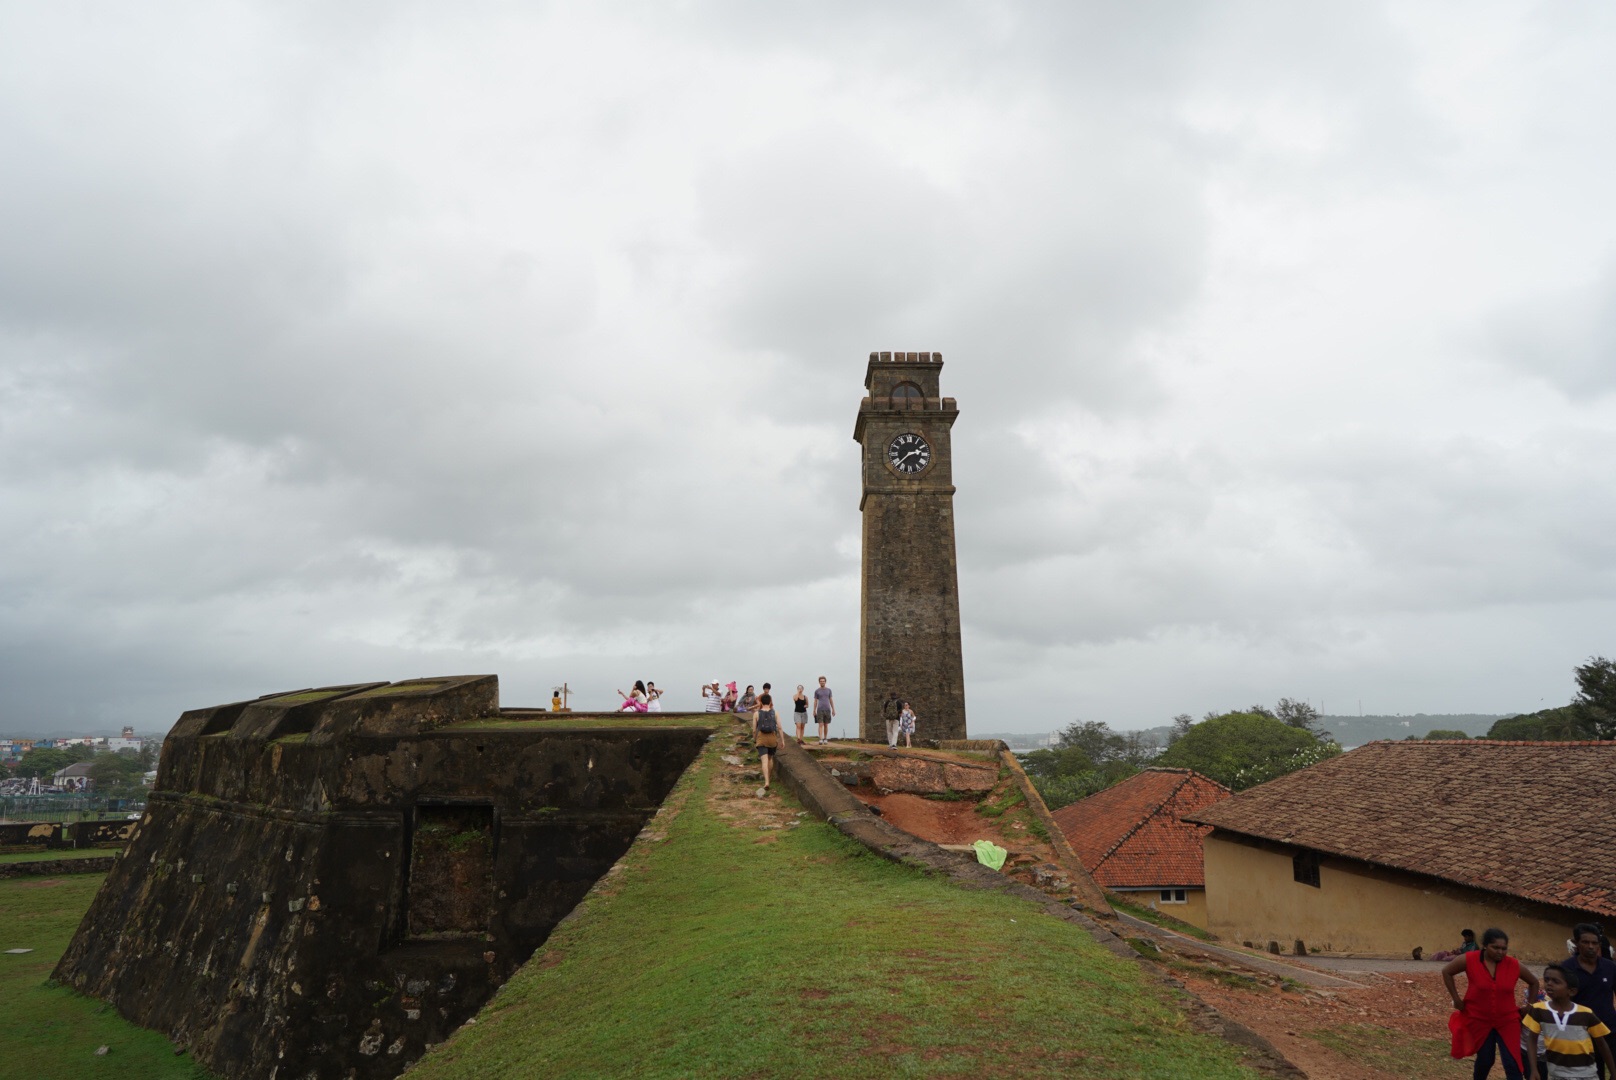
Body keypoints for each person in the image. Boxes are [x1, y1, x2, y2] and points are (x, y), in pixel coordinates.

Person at [1445, 928, 1543, 1080]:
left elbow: (1534, 982)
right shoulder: (1470, 959)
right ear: (1485, 945)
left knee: (1512, 1063)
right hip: (1479, 1019)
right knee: (1485, 1060)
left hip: (1507, 1020)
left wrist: (1530, 1005)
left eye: (1504, 949)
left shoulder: (1513, 964)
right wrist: (1456, 999)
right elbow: (1447, 971)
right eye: (1495, 947)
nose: (1500, 952)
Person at [1524, 965, 1615, 1080]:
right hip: (1556, 1075)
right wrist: (1534, 1069)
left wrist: (1613, 1072)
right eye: (1547, 980)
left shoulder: (1585, 1013)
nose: (1549, 984)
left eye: (1556, 981)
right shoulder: (1538, 1010)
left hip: (1587, 1075)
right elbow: (1532, 1039)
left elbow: (1602, 1044)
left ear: (1571, 991)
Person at [1560, 925, 1616, 1076]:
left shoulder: (1610, 967)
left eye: (1594, 943)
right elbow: (1561, 1001)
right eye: (1585, 942)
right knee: (1593, 1073)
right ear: (1577, 944)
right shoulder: (1566, 969)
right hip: (1580, 1033)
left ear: (1599, 944)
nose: (1591, 946)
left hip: (1609, 1030)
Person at [753, 692, 782, 795]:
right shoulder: (775, 712)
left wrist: (754, 739)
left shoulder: (756, 713)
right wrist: (782, 740)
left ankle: (766, 781)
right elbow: (779, 728)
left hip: (761, 738)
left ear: (760, 702)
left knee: (764, 761)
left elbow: (754, 729)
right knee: (770, 759)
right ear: (770, 702)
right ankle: (768, 777)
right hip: (772, 738)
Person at [813, 676, 834, 745]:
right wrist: (814, 710)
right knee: (820, 724)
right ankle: (820, 738)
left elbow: (831, 700)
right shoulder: (817, 691)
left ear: (825, 682)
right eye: (821, 681)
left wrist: (833, 709)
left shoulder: (829, 690)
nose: (822, 682)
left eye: (823, 681)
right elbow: (815, 701)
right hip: (820, 709)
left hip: (827, 709)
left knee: (826, 725)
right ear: (819, 682)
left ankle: (825, 738)